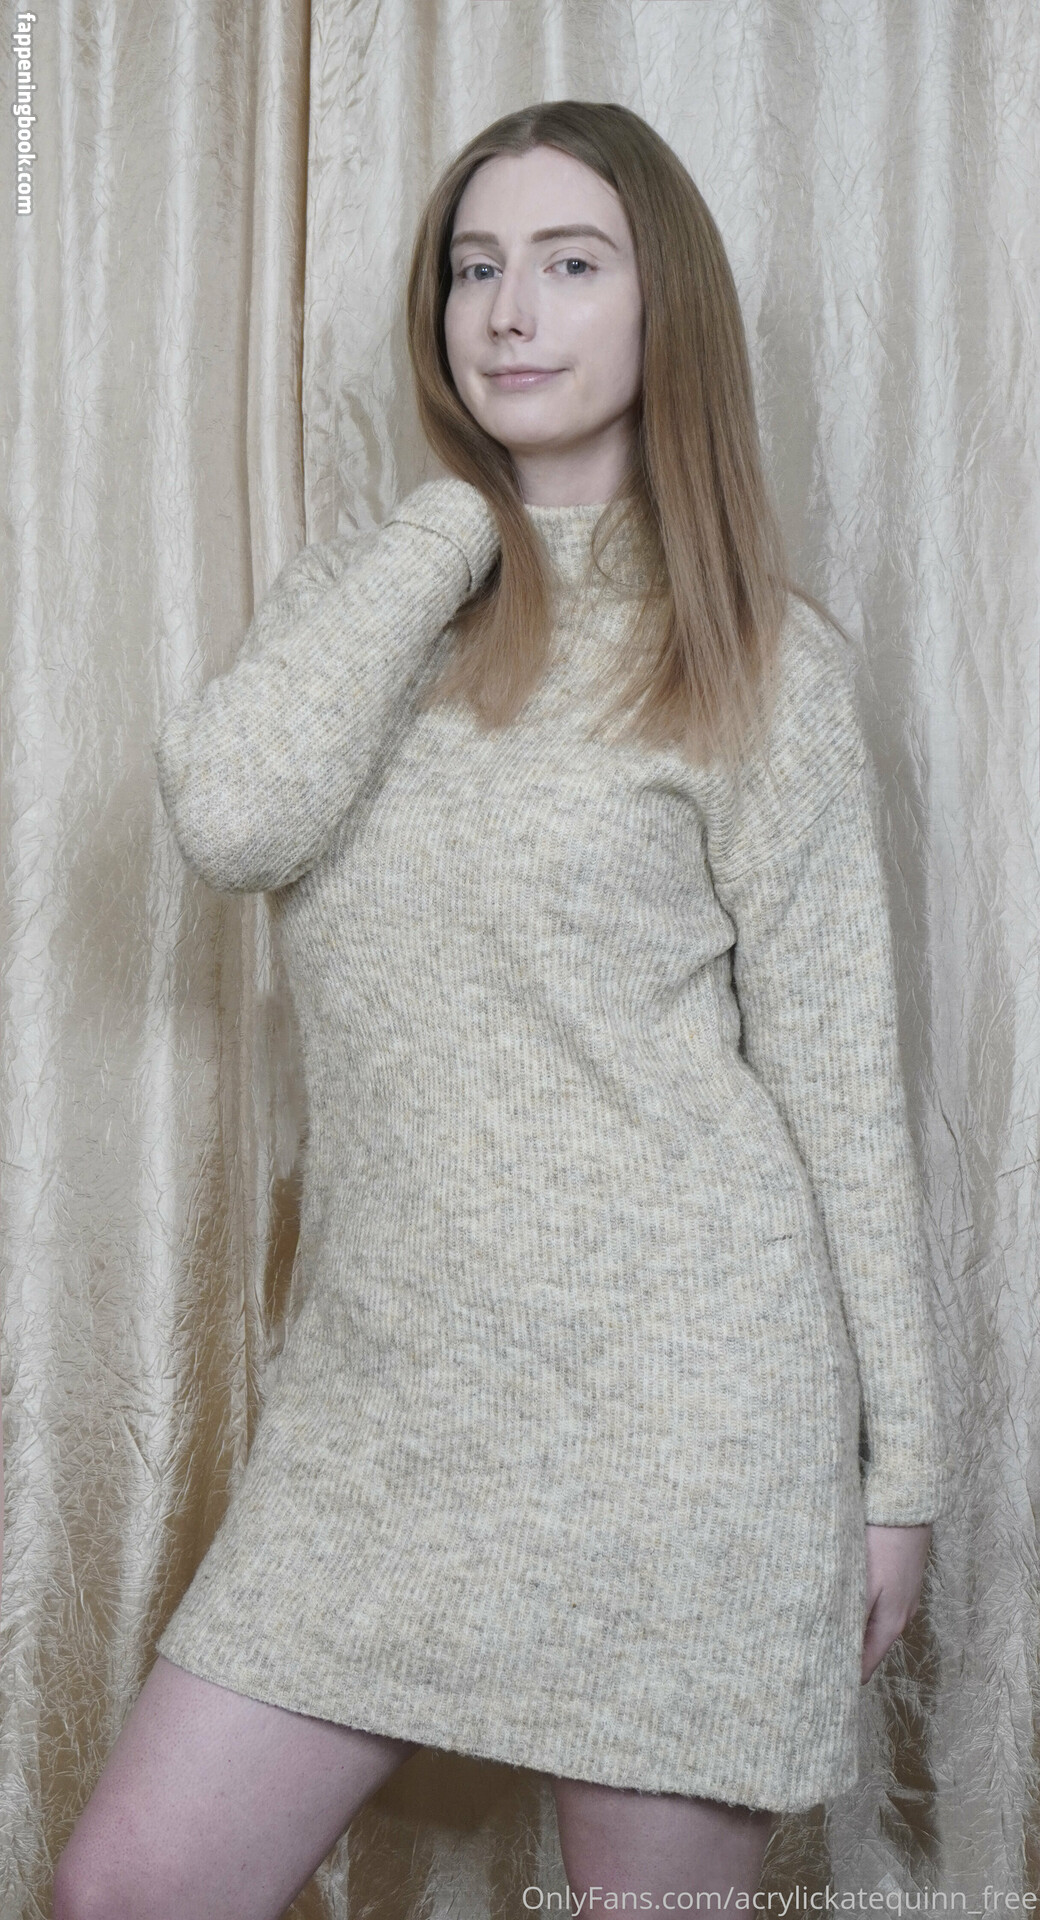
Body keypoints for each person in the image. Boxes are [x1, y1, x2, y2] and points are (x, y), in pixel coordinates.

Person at [53, 101, 948, 1920]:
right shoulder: (379, 604)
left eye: (569, 263)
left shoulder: (757, 657)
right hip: (384, 1409)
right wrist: (457, 525)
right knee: (126, 1889)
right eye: (475, 268)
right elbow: (233, 817)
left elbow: (842, 1088)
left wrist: (904, 1475)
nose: (509, 311)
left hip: (684, 1416)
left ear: (662, 305)